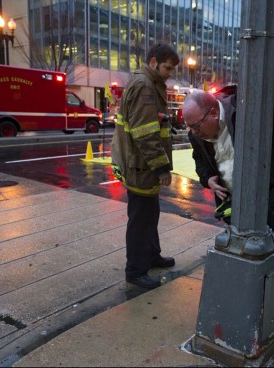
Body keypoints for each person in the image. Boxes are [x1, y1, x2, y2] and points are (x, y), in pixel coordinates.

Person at [182, 87, 274, 312]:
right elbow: (199, 159)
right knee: (244, 239)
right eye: (188, 126)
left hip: (270, 180)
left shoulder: (244, 109)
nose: (193, 131)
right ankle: (258, 285)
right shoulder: (196, 133)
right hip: (232, 191)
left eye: (196, 125)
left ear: (212, 113)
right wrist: (207, 178)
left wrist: (273, 96)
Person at [110, 43, 180, 289]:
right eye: (166, 68)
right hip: (141, 165)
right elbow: (144, 133)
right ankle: (136, 270)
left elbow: (149, 124)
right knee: (140, 219)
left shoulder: (150, 84)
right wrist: (161, 167)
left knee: (150, 214)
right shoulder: (145, 87)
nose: (169, 74)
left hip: (142, 164)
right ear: (153, 62)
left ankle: (151, 256)